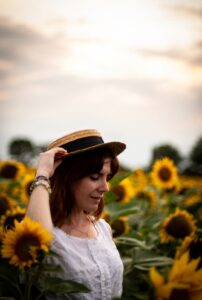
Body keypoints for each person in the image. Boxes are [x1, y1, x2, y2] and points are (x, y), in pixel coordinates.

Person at [26, 129, 126, 300]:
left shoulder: (104, 229)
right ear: (68, 178)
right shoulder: (49, 233)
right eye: (95, 177)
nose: (106, 187)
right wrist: (42, 174)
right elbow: (35, 237)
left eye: (107, 177)